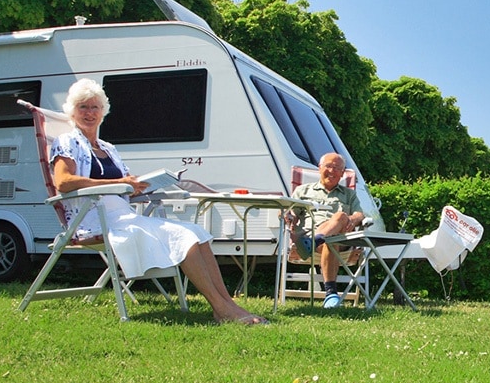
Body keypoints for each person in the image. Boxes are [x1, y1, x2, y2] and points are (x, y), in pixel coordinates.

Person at [50, 78, 268, 326]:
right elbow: (64, 182)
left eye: (95, 107)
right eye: (83, 107)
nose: (89, 113)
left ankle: (228, 305)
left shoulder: (108, 148)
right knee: (185, 239)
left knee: (199, 234)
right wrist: (120, 182)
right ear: (72, 111)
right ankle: (221, 309)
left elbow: (122, 188)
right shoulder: (67, 142)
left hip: (124, 215)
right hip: (96, 219)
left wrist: (139, 186)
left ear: (103, 112)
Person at [287, 152, 365, 308]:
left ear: (343, 173)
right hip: (310, 234)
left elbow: (359, 214)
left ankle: (313, 242)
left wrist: (352, 219)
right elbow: (291, 212)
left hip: (337, 240)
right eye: (328, 166)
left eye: (337, 168)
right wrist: (289, 215)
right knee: (331, 240)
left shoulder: (349, 194)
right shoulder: (303, 191)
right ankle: (331, 294)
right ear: (319, 168)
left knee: (341, 216)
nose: (332, 171)